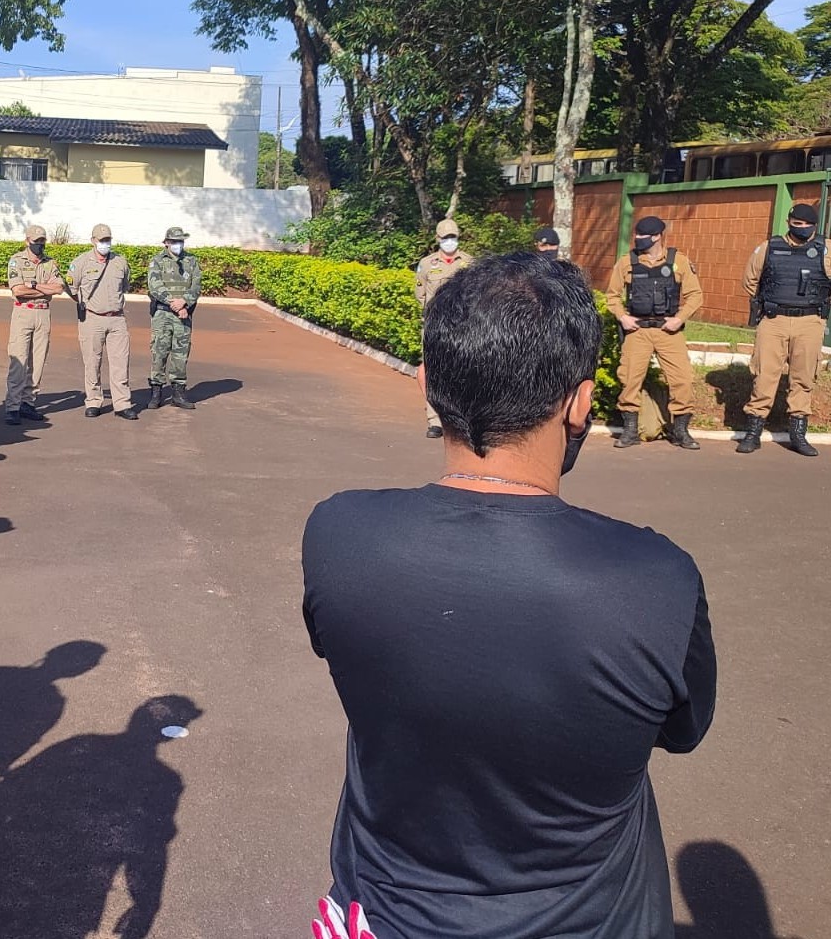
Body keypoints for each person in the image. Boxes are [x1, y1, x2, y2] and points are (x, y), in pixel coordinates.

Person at [303, 252, 716, 939]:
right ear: (581, 402)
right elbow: (682, 730)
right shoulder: (656, 578)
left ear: (428, 384)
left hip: (385, 914)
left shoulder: (338, 534)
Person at [737, 203, 831, 457]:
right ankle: (753, 431)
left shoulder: (826, 249)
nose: (800, 228)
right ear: (789, 222)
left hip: (810, 321)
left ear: (814, 225)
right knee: (764, 375)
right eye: (796, 224)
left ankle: (798, 434)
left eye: (806, 225)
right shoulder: (769, 247)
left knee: (803, 377)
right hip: (774, 319)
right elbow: (750, 281)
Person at [607, 215, 704, 451]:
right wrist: (622, 316)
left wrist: (679, 319)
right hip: (638, 330)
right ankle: (630, 431)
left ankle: (680, 430)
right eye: (637, 235)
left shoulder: (678, 261)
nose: (638, 239)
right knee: (630, 379)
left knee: (682, 379)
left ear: (658, 236)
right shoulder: (626, 262)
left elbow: (695, 295)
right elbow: (612, 295)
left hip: (667, 331)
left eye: (643, 236)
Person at [69, 225, 137, 421]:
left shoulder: (120, 262)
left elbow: (124, 286)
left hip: (117, 319)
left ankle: (122, 404)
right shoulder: (80, 262)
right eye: (101, 240)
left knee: (121, 362)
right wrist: (86, 305)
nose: (105, 243)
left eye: (108, 240)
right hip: (92, 318)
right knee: (92, 362)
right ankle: (93, 401)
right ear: (93, 241)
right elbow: (72, 289)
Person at [414, 218, 473, 438]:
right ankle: (435, 420)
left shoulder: (468, 262)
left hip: (462, 325)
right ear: (438, 239)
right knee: (433, 370)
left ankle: (460, 418)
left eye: (453, 237)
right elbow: (420, 293)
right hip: (434, 326)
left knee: (462, 370)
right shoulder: (427, 264)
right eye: (446, 238)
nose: (450, 241)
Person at [4, 225, 64, 426]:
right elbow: (19, 291)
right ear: (27, 240)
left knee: (38, 361)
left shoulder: (50, 263)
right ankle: (13, 406)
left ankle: (27, 402)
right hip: (23, 312)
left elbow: (58, 288)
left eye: (42, 241)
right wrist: (43, 289)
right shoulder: (17, 260)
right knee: (19, 360)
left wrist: (34, 286)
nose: (39, 244)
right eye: (35, 241)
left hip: (43, 313)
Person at [145, 226, 202, 411]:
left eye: (181, 241)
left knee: (180, 353)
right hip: (162, 313)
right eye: (175, 241)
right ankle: (156, 392)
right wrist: (173, 303)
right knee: (159, 352)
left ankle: (178, 392)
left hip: (184, 314)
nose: (178, 244)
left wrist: (184, 302)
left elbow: (196, 286)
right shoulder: (157, 261)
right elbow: (154, 286)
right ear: (166, 242)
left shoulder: (191, 260)